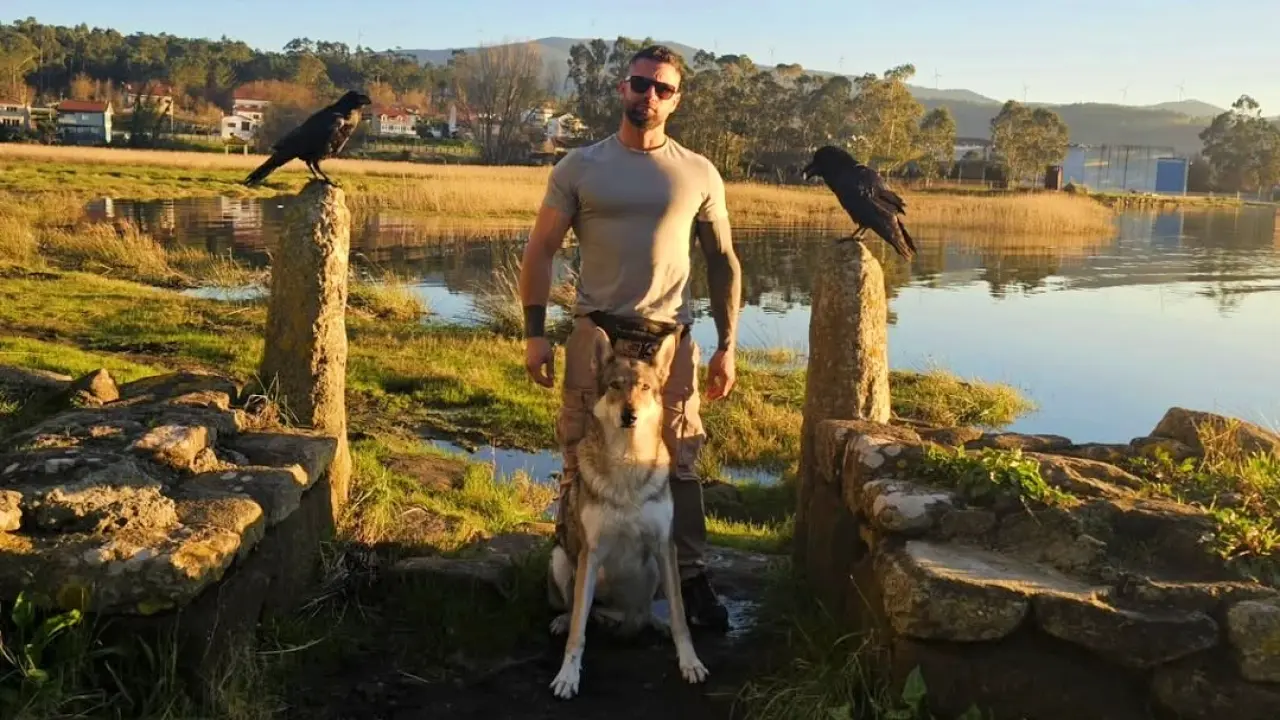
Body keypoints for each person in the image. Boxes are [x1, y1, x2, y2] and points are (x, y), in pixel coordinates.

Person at [517, 44, 742, 632]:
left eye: (663, 88)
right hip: (597, 335)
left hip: (669, 342)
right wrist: (535, 334)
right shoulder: (579, 167)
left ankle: (690, 578)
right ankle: (574, 576)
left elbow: (723, 261)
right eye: (641, 84)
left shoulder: (699, 172)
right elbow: (540, 249)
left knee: (681, 463)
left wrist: (727, 345)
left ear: (676, 99)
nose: (650, 96)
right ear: (623, 88)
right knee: (580, 456)